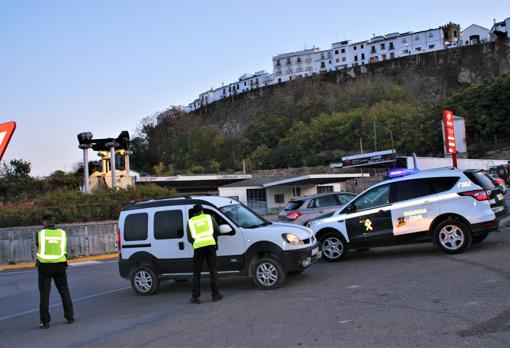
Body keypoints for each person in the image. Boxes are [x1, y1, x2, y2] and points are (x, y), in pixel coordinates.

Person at [36, 214, 74, 329]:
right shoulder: (62, 233)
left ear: (44, 223)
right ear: (53, 222)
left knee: (44, 295)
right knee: (64, 291)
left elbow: (38, 245)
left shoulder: (40, 234)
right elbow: (64, 248)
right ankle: (69, 317)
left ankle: (45, 322)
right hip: (60, 266)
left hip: (45, 267)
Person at [188, 204, 223, 303]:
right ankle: (216, 295)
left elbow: (190, 238)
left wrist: (197, 242)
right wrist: (213, 238)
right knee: (213, 271)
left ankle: (196, 297)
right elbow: (217, 230)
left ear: (194, 213)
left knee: (196, 273)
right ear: (202, 211)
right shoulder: (209, 218)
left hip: (198, 248)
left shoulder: (190, 222)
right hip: (210, 247)